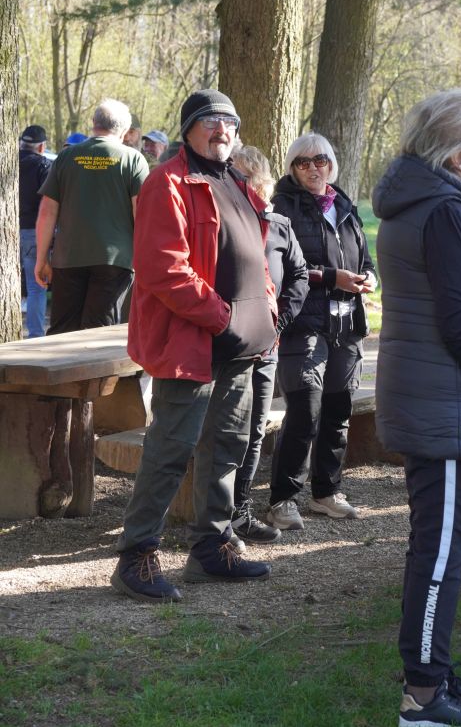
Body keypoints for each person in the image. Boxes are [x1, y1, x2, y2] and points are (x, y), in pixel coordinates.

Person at [373, 89, 461, 727]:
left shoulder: (427, 201)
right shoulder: (445, 212)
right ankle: (424, 697)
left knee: (435, 547)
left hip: (440, 398)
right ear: (458, 154)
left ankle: (435, 671)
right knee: (440, 554)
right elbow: (460, 321)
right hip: (451, 404)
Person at [111, 89, 277, 603]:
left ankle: (211, 547)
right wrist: (222, 318)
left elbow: (257, 257)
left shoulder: (237, 182)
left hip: (241, 345)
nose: (221, 130)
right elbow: (164, 268)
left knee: (226, 446)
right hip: (194, 341)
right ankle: (135, 556)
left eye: (229, 122)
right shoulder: (169, 182)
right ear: (188, 129)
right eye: (210, 122)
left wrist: (266, 311)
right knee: (170, 450)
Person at [266, 132, 376, 531]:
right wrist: (333, 278)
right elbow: (281, 269)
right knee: (304, 411)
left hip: (347, 324)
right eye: (304, 162)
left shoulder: (344, 205)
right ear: (293, 167)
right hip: (304, 323)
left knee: (338, 410)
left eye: (322, 161)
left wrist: (368, 278)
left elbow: (364, 258)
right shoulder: (283, 207)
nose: (314, 168)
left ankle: (326, 492)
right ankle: (282, 499)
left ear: (332, 164)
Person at [229, 145, 308, 544]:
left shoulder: (278, 225)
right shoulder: (219, 221)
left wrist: (282, 321)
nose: (245, 188)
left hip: (267, 347)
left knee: (254, 431)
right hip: (225, 347)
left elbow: (299, 276)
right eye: (237, 180)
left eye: (251, 182)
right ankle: (213, 519)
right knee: (223, 432)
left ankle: (240, 511)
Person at [34, 99, 149, 334]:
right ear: (125, 131)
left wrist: (41, 258)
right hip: (115, 261)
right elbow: (142, 214)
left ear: (93, 123)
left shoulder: (66, 157)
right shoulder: (133, 160)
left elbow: (47, 211)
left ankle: (61, 371)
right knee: (99, 333)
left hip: (67, 259)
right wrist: (145, 261)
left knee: (62, 332)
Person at [19, 125, 51, 337]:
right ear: (41, 147)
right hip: (33, 232)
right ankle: (36, 337)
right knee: (36, 286)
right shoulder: (43, 166)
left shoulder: (6, 160)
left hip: (8, 232)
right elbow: (49, 205)